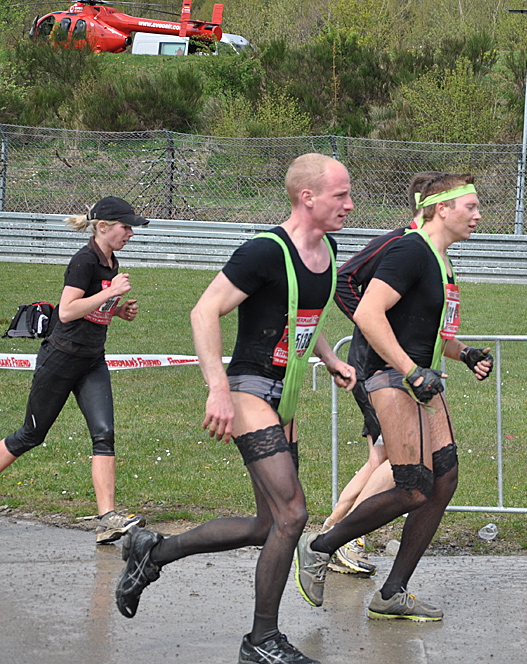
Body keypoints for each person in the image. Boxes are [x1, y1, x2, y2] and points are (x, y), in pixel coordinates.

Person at [114, 154, 357, 664]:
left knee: (266, 525)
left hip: (283, 396)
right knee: (293, 515)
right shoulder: (263, 252)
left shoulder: (328, 250)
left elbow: (301, 319)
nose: (350, 204)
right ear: (307, 197)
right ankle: (261, 641)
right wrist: (217, 389)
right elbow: (203, 310)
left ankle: (152, 551)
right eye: (341, 195)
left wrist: (331, 357)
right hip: (247, 388)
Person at [294, 173, 494, 621]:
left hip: (421, 381)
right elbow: (367, 311)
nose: (479, 215)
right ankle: (319, 546)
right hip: (391, 378)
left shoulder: (440, 260)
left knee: (444, 480)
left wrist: (465, 354)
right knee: (412, 489)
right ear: (442, 208)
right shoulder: (410, 249)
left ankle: (392, 592)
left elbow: (428, 329)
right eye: (471, 207)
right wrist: (409, 370)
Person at [0, 196, 147, 544]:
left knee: (104, 434)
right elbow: (66, 312)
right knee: (30, 436)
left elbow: (93, 309)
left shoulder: (110, 260)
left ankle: (107, 519)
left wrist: (117, 311)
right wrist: (107, 297)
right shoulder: (83, 261)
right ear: (103, 227)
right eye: (126, 227)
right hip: (60, 360)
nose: (130, 233)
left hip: (92, 360)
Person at [320, 170, 444, 576]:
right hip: (377, 371)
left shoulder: (430, 250)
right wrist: (376, 326)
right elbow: (344, 280)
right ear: (430, 205)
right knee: (395, 461)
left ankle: (333, 534)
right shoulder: (401, 243)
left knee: (383, 457)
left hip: (398, 374)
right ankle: (338, 540)